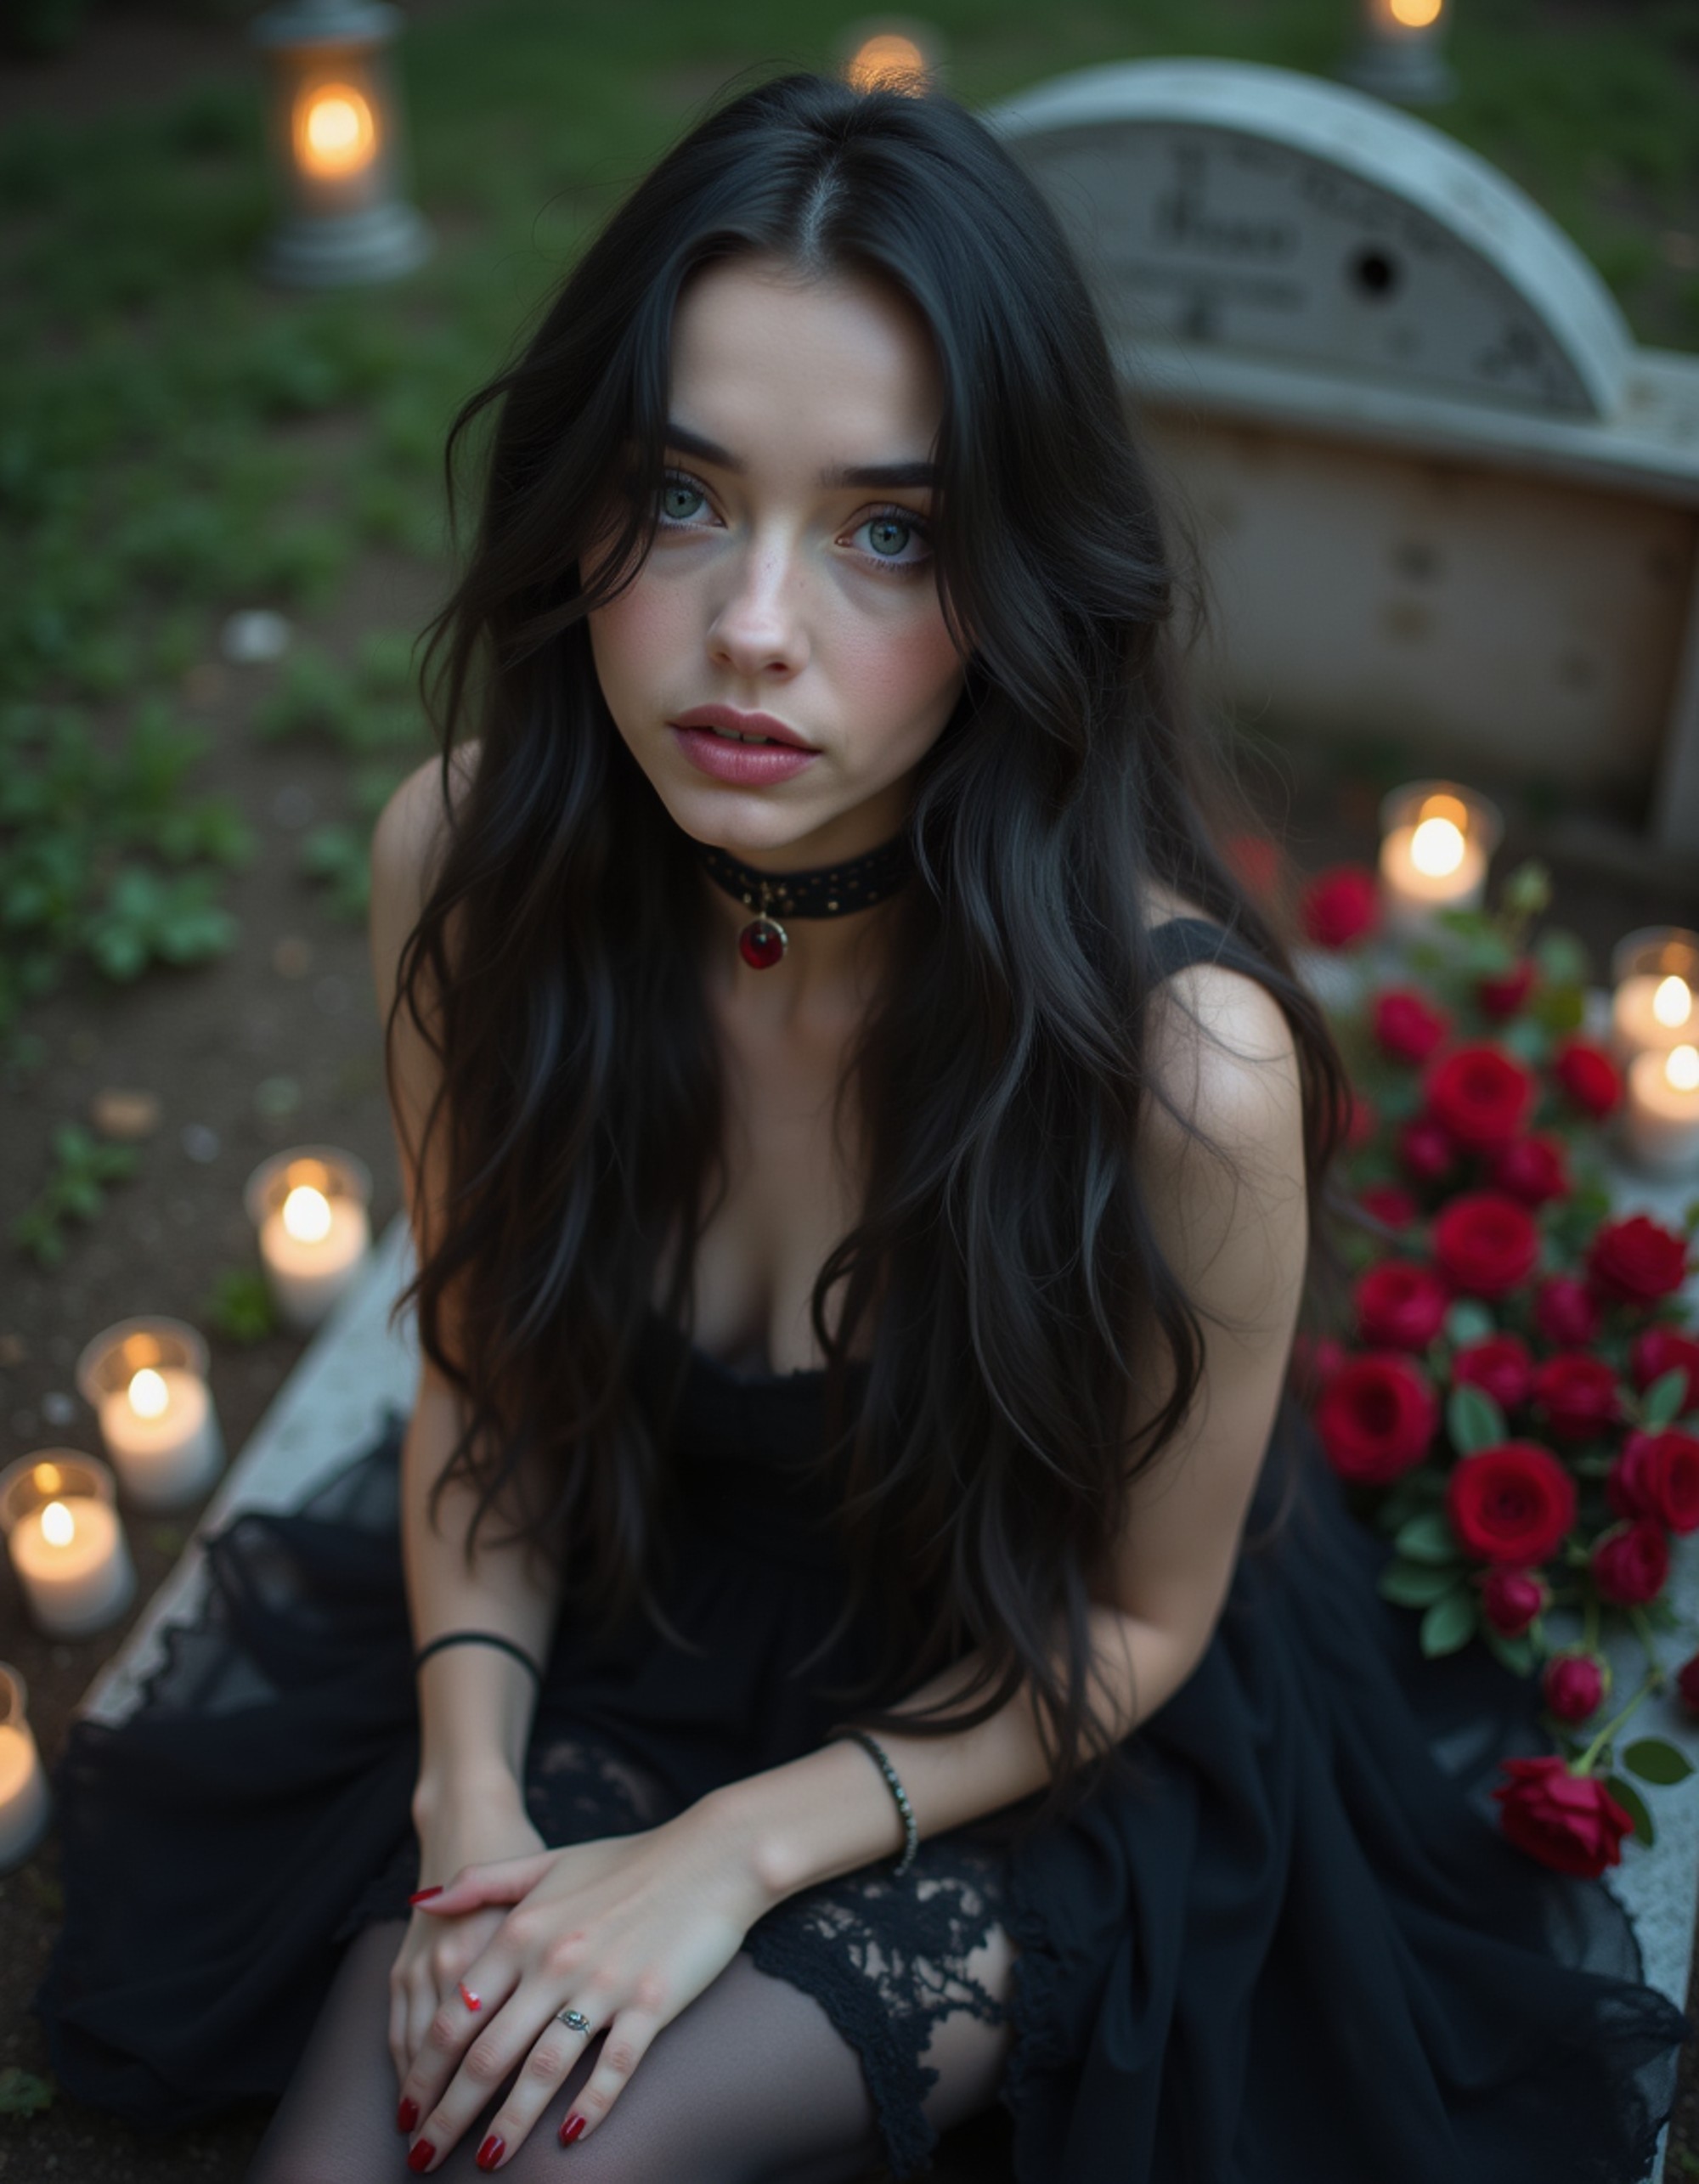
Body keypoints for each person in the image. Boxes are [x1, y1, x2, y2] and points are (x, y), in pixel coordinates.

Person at [33, 69, 1691, 2184]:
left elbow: (1136, 1629)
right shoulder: (464, 865)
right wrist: (471, 1800)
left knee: (565, 2153)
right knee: (367, 2123)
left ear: (1016, 583)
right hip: (630, 1591)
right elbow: (488, 1377)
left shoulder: (1183, 1069)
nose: (753, 627)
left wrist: (728, 1851)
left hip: (1014, 1717)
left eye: (887, 532)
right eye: (687, 493)